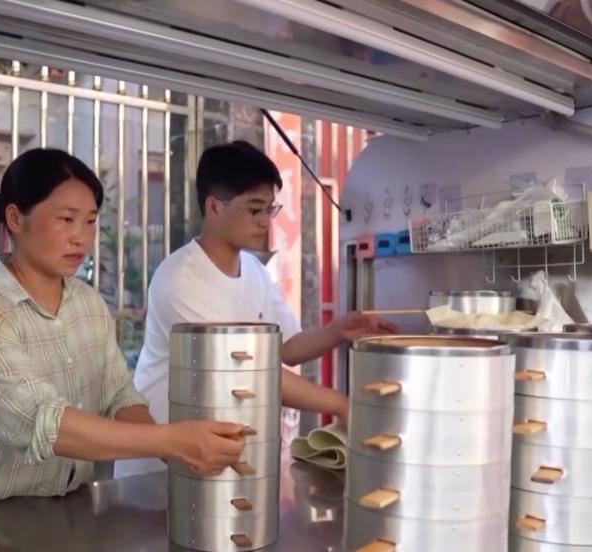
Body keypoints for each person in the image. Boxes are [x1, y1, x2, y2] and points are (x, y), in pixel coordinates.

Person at [0, 148, 247, 506]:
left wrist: (178, 451)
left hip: (52, 509)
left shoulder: (88, 304)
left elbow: (119, 396)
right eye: (66, 219)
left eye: (89, 221)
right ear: (15, 218)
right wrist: (172, 440)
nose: (81, 238)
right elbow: (44, 423)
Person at [113, 141, 398, 479]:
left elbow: (288, 348)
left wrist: (337, 331)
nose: (265, 222)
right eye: (254, 210)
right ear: (214, 207)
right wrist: (339, 404)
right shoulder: (181, 279)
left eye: (269, 210)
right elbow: (244, 372)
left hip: (215, 454)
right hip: (158, 465)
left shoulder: (254, 270)